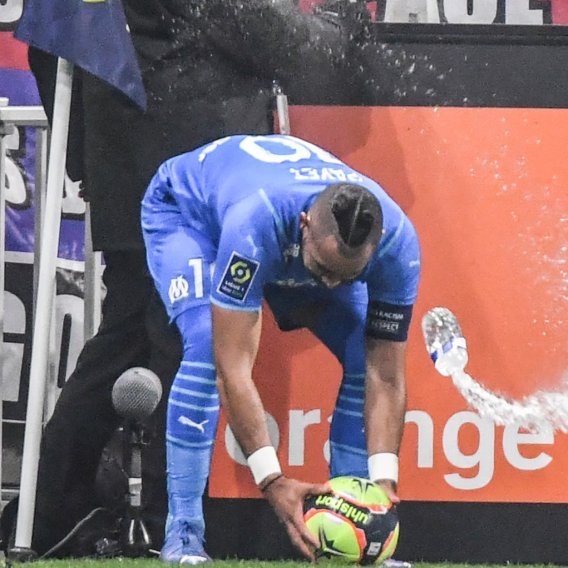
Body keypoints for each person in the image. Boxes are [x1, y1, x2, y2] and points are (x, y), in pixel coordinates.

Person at [2, 0, 372, 557]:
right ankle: (153, 518)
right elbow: (271, 39)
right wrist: (344, 23)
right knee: (177, 344)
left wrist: (87, 158)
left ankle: (55, 509)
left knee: (131, 337)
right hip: (187, 181)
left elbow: (48, 49)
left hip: (142, 168)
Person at [141, 133, 420, 563]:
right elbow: (231, 368)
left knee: (364, 351)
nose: (331, 285)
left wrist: (382, 483)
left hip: (277, 237)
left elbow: (386, 374)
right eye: (324, 269)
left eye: (349, 276)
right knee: (203, 342)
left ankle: (353, 516)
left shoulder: (398, 245)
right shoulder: (258, 221)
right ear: (306, 223)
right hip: (192, 217)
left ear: (375, 248)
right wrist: (271, 480)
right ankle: (183, 532)